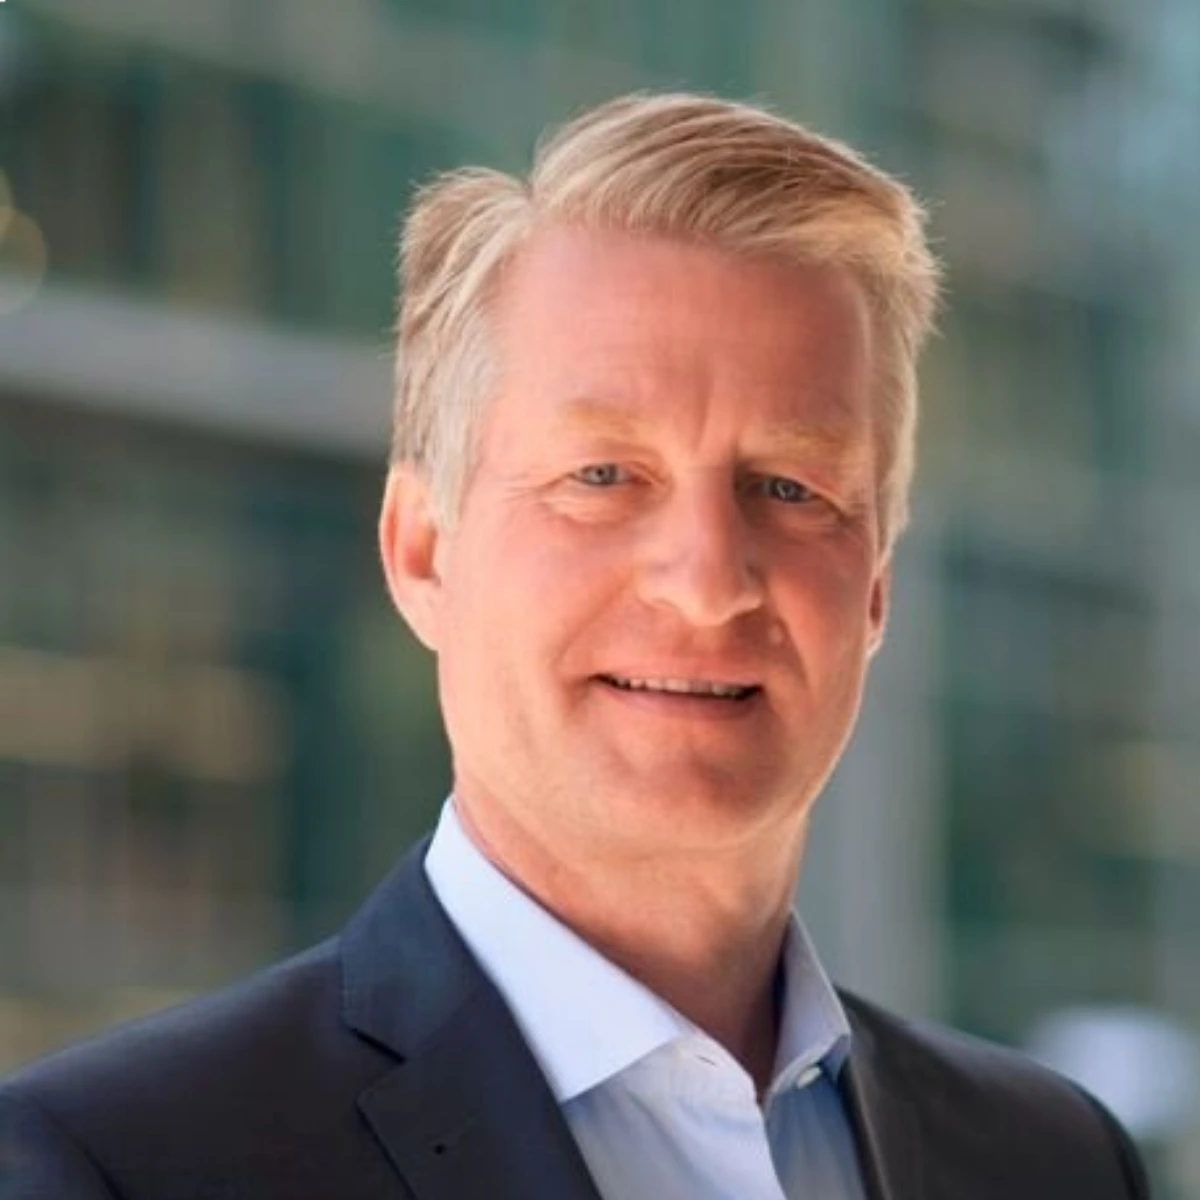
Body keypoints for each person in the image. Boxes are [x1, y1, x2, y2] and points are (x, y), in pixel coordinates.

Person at [0, 92, 1149, 1200]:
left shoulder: (1057, 1163)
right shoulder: (117, 1167)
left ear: (878, 588)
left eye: (792, 488)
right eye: (603, 475)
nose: (708, 583)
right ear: (422, 553)